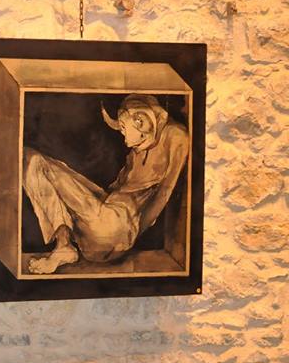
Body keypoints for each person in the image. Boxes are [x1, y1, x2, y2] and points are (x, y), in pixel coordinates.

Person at [22, 94, 188, 274]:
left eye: (123, 128)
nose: (124, 137)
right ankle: (64, 245)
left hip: (117, 228)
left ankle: (72, 242)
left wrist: (131, 234)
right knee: (31, 159)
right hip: (101, 221)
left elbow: (165, 192)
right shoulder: (136, 152)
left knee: (33, 160)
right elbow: (116, 189)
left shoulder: (176, 135)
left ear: (140, 122)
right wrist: (81, 198)